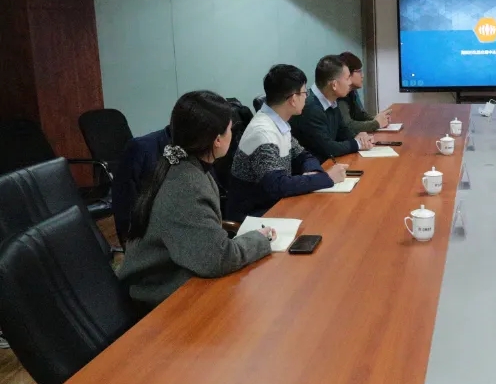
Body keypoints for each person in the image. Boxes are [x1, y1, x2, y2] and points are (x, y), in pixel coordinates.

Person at [117, 91, 275, 311]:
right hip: (159, 296)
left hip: (179, 272)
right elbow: (218, 258)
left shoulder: (185, 165)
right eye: (230, 129)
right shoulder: (187, 186)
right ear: (217, 140)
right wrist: (260, 239)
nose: (232, 134)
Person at [228, 65, 345, 221]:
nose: (306, 97)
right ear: (293, 99)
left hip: (276, 204)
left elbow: (304, 156)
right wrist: (325, 178)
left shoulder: (278, 123)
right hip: (256, 216)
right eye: (304, 93)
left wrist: (314, 173)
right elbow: (276, 186)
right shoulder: (263, 133)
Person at [290, 55, 375, 162]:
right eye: (347, 78)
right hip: (314, 168)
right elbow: (328, 148)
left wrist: (359, 137)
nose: (350, 82)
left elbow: (343, 131)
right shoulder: (310, 107)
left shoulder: (331, 100)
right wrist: (357, 143)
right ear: (334, 85)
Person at [337, 51, 391, 134]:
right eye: (359, 71)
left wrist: (377, 118)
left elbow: (359, 115)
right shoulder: (340, 94)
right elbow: (348, 126)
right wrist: (376, 123)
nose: (363, 75)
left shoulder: (352, 91)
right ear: (347, 73)